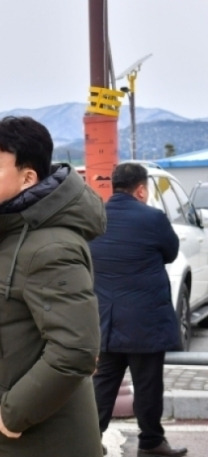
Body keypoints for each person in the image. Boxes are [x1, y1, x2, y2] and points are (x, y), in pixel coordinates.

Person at [0, 116, 106, 457]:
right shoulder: (6, 232)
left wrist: (13, 415)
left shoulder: (50, 246)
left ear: (28, 178)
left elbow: (75, 350)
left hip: (24, 440)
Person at [90, 163, 187, 457]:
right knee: (147, 386)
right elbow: (170, 252)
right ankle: (151, 442)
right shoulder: (153, 217)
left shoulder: (95, 219)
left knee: (103, 384)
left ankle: (88, 441)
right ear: (141, 189)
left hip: (105, 319)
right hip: (145, 321)